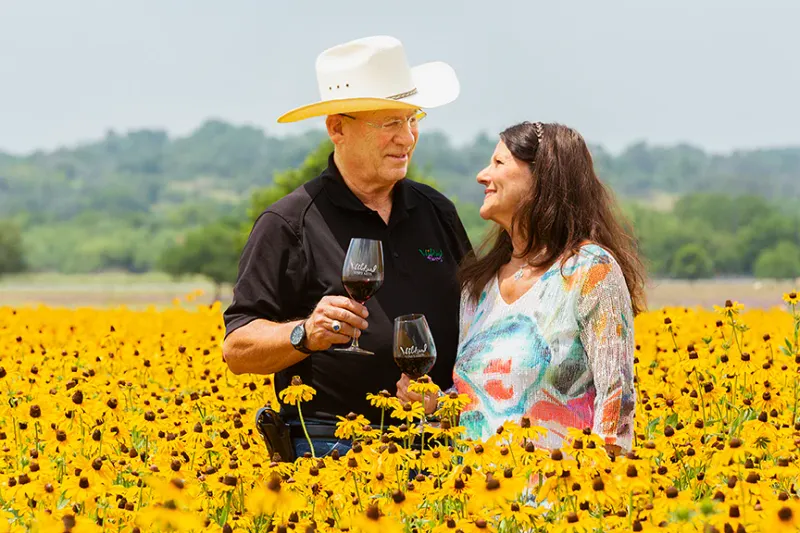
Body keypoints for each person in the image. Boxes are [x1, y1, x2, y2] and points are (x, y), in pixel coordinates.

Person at [221, 35, 473, 459]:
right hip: (330, 451)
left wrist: (447, 396)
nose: (407, 138)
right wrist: (305, 334)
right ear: (338, 128)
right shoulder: (288, 223)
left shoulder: (437, 211)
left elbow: (477, 321)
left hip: (439, 444)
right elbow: (238, 348)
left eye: (412, 120)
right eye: (390, 124)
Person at [399, 121, 645, 455]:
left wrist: (597, 493)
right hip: (480, 497)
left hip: (564, 496)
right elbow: (478, 407)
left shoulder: (589, 270)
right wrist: (435, 404)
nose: (482, 176)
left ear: (542, 177)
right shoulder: (479, 286)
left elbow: (617, 401)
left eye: (498, 163)